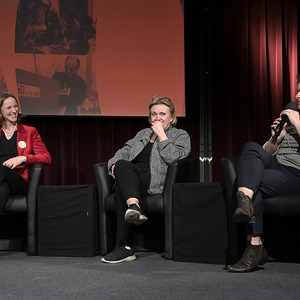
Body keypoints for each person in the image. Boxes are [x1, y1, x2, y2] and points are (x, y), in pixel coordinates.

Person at [101, 95, 191, 264]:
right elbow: (122, 152)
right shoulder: (143, 134)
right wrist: (113, 165)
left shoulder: (180, 135)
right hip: (133, 179)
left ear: (172, 117)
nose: (158, 118)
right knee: (121, 164)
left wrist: (162, 136)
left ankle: (125, 247)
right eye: (154, 114)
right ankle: (133, 205)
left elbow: (175, 158)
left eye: (163, 114)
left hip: (156, 181)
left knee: (123, 186)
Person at [226, 86, 300, 273]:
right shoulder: (291, 120)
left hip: (296, 173)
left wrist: (297, 122)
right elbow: (267, 151)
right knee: (251, 148)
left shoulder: (296, 119)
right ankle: (245, 200)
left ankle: (254, 246)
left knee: (249, 183)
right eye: (297, 91)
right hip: (277, 165)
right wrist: (276, 138)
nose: (297, 95)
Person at [0, 92, 51, 211]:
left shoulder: (29, 131)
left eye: (15, 106)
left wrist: (23, 158)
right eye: (9, 108)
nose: (14, 110)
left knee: (1, 169)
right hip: (3, 182)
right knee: (2, 189)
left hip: (18, 180)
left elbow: (46, 157)